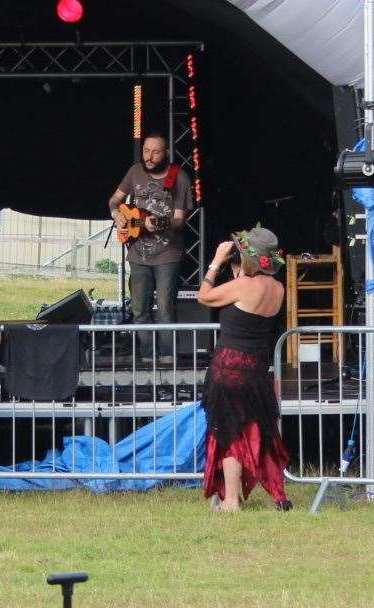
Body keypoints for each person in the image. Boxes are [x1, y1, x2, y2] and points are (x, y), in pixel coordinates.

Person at [196, 226, 291, 511]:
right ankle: (251, 493)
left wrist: (215, 262)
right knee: (250, 429)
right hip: (256, 368)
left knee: (228, 432)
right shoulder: (277, 288)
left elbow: (204, 296)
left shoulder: (243, 286)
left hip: (230, 367)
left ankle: (232, 500)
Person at [108, 135, 191, 359]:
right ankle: (146, 357)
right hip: (137, 253)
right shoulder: (135, 172)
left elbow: (179, 220)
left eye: (156, 152)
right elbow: (115, 200)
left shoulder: (179, 178)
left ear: (166, 153)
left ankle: (166, 360)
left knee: (164, 308)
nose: (150, 157)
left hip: (167, 253)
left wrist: (159, 224)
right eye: (146, 151)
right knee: (139, 309)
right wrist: (117, 214)